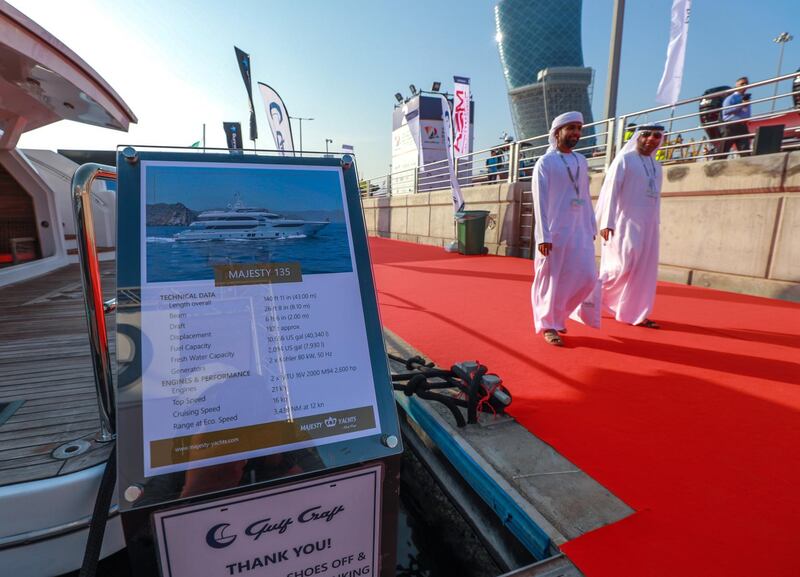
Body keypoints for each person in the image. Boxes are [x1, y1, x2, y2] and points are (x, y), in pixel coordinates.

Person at [531, 111, 600, 346]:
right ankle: (548, 324)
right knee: (550, 279)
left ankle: (559, 316)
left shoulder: (581, 160)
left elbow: (585, 196)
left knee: (588, 276)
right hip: (554, 230)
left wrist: (592, 224)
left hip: (579, 228)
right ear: (557, 132)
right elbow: (539, 201)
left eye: (579, 128)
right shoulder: (545, 163)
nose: (576, 133)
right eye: (571, 128)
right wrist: (543, 234)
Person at [595, 125, 665, 329]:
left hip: (649, 225)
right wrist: (607, 222)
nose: (651, 139)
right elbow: (611, 192)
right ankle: (588, 295)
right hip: (623, 223)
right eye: (646, 134)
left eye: (656, 136)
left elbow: (656, 197)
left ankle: (635, 313)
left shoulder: (657, 166)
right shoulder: (625, 160)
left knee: (643, 271)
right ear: (638, 137)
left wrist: (655, 223)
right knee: (621, 267)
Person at [721, 77, 752, 156]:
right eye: (742, 84)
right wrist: (741, 106)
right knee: (723, 152)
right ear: (736, 86)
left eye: (746, 83)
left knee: (745, 153)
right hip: (731, 126)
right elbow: (725, 111)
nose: (745, 85)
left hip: (743, 126)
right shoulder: (730, 98)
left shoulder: (746, 98)